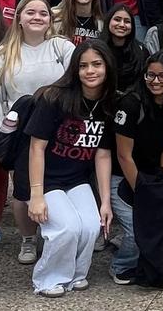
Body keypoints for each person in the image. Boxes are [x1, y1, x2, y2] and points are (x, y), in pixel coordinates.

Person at [0, 0, 76, 262]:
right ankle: (27, 238)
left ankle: (56, 231)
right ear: (19, 18)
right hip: (21, 132)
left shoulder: (61, 47)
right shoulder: (3, 54)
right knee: (23, 189)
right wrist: (1, 134)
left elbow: (76, 86)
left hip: (59, 130)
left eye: (43, 13)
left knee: (59, 183)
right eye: (30, 13)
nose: (37, 17)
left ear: (50, 19)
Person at [24, 42, 118, 296]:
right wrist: (36, 195)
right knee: (67, 228)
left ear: (107, 66)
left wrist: (106, 202)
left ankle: (76, 274)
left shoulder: (109, 103)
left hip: (77, 179)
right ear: (74, 70)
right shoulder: (54, 98)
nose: (90, 71)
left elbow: (103, 154)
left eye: (97, 64)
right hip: (45, 178)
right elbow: (36, 148)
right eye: (83, 65)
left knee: (90, 225)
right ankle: (47, 279)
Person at [110, 51, 163, 286]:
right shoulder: (131, 104)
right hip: (121, 174)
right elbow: (123, 155)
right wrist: (144, 194)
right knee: (137, 227)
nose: (155, 81)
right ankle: (121, 265)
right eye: (150, 75)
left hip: (152, 172)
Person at [100, 4, 151, 84]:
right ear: (108, 21)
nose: (122, 25)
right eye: (117, 20)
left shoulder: (141, 51)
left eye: (127, 21)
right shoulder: (96, 49)